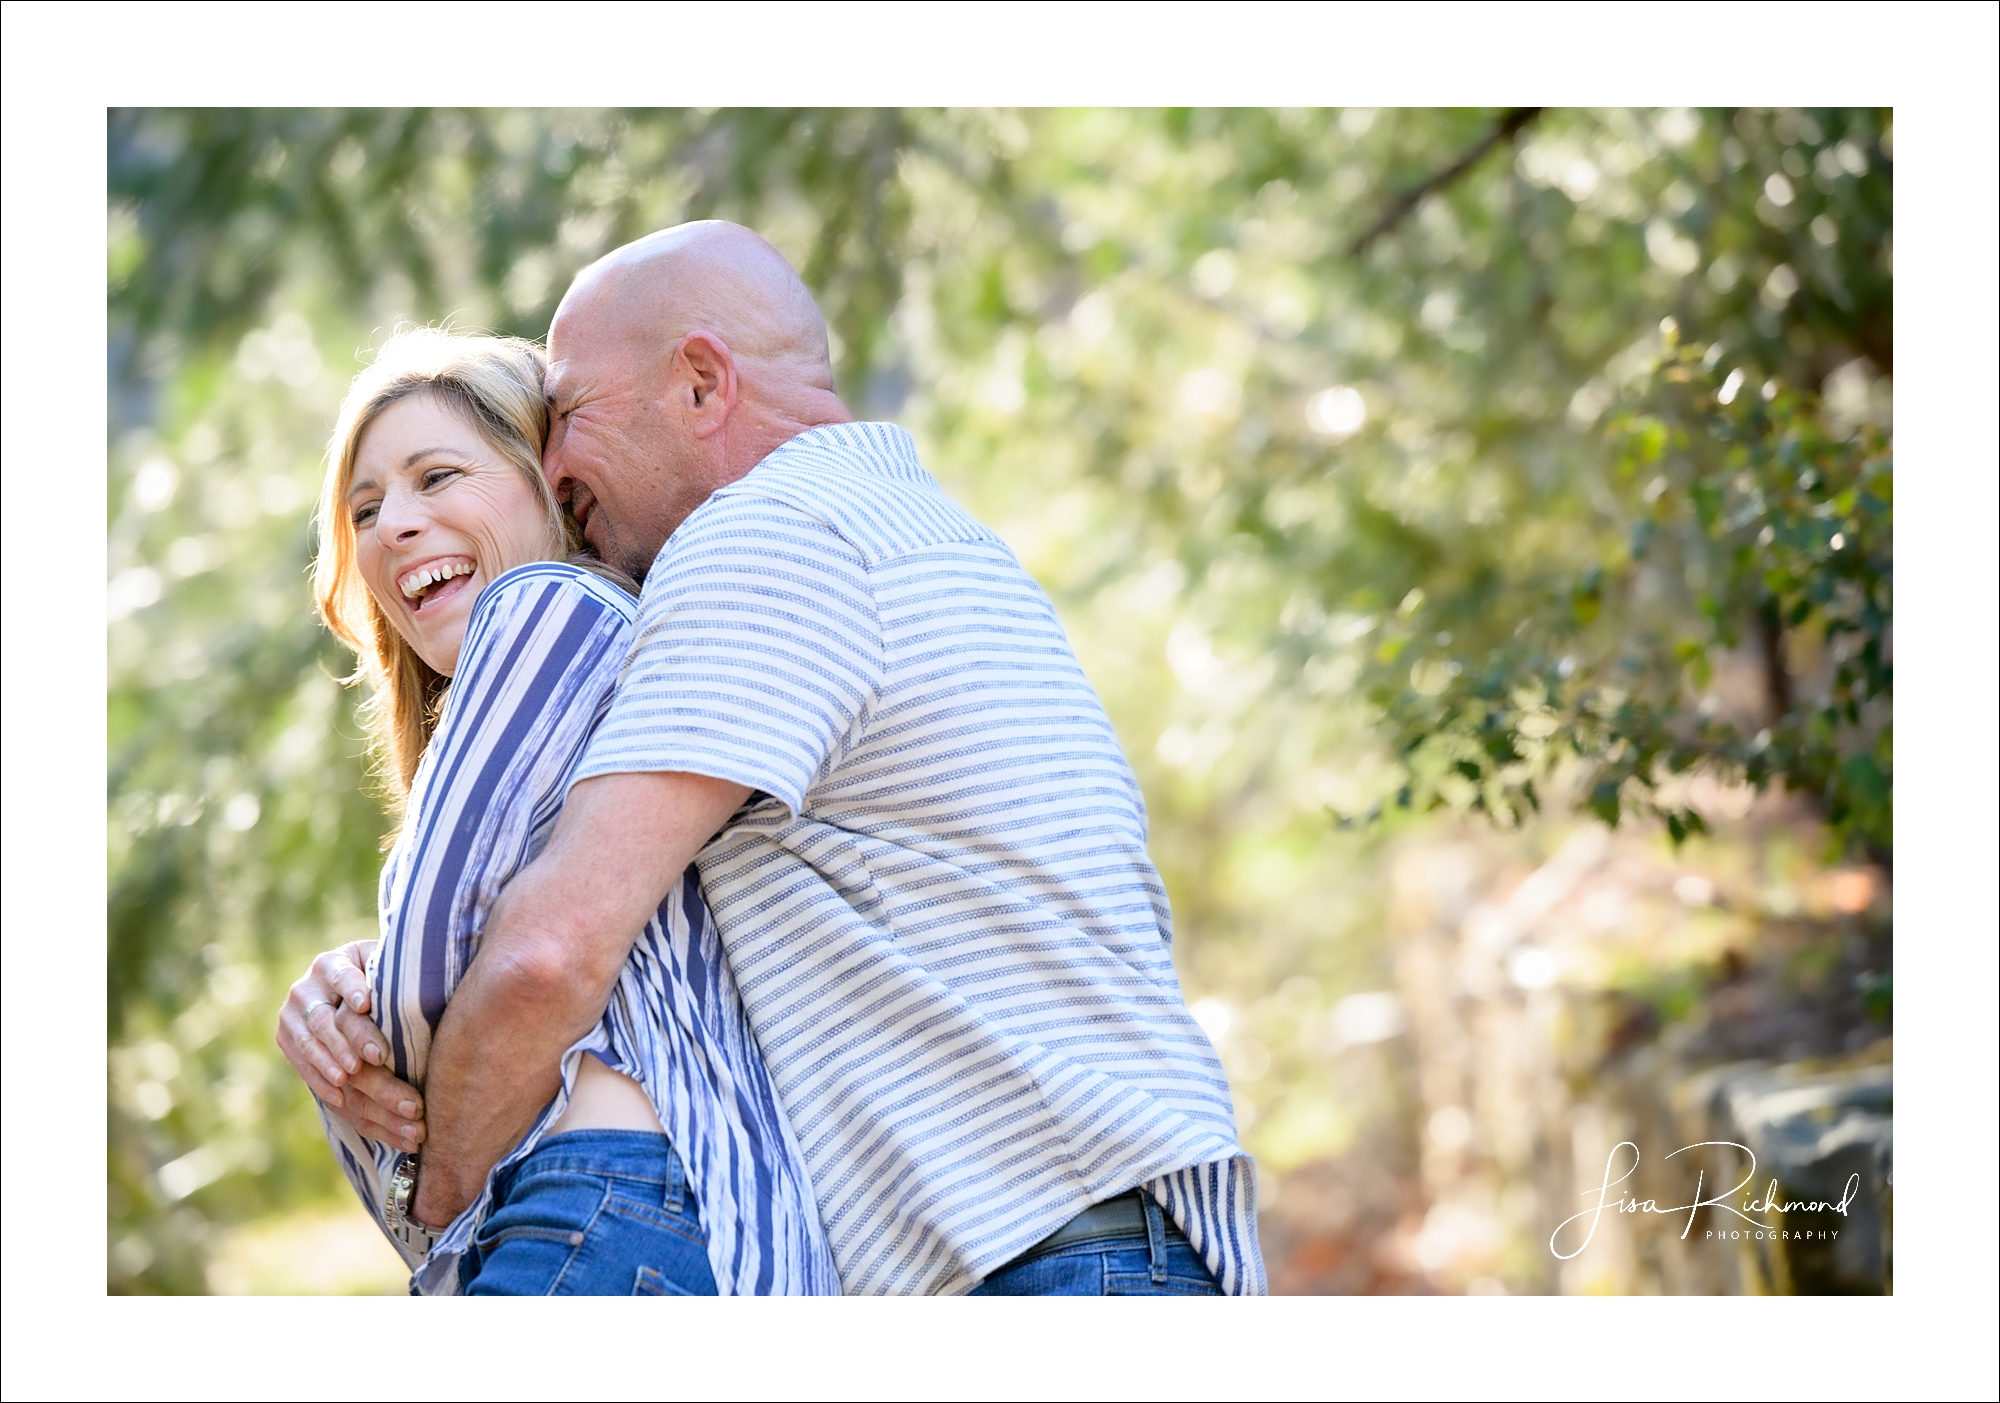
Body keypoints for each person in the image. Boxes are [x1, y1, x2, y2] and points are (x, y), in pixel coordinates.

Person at [298, 221, 1266, 1295]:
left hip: (1050, 1252)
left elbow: (552, 950)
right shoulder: (906, 528)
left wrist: (439, 1207)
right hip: (1080, 1235)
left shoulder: (768, 535)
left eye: (566, 413)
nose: (554, 459)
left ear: (702, 384)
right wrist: (358, 979)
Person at [275, 328, 837, 1295]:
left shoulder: (552, 606)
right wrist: (358, 983)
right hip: (678, 1228)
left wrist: (369, 1054)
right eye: (364, 508)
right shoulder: (618, 669)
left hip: (605, 1204)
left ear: (550, 482)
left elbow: (452, 960)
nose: (393, 525)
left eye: (437, 475)